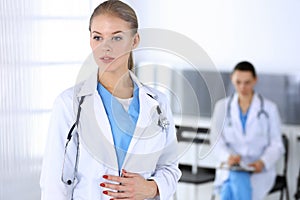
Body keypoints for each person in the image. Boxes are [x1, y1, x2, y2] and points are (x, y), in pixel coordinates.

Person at [40, 1, 181, 199]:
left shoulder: (158, 103)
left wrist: (151, 188)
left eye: (117, 38)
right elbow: (54, 183)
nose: (105, 47)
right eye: (98, 37)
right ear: (90, 40)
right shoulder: (69, 104)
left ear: (134, 41)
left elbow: (170, 167)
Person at [210, 61, 284, 200]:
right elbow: (216, 141)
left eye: (247, 82)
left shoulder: (269, 109)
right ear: (232, 79)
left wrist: (263, 162)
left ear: (255, 80)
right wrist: (228, 157)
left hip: (258, 169)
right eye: (238, 82)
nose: (242, 87)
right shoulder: (222, 107)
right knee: (236, 176)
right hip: (231, 165)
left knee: (228, 191)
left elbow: (277, 144)